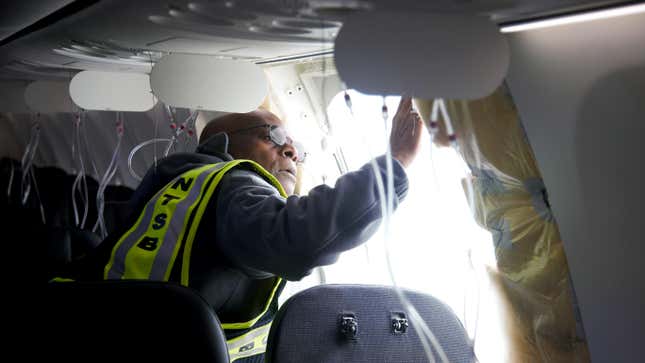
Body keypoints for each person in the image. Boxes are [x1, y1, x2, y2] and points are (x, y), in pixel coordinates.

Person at [63, 97, 422, 362]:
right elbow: (295, 238)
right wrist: (395, 167)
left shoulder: (181, 187)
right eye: (275, 135)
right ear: (222, 143)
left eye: (297, 149)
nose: (291, 151)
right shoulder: (233, 183)